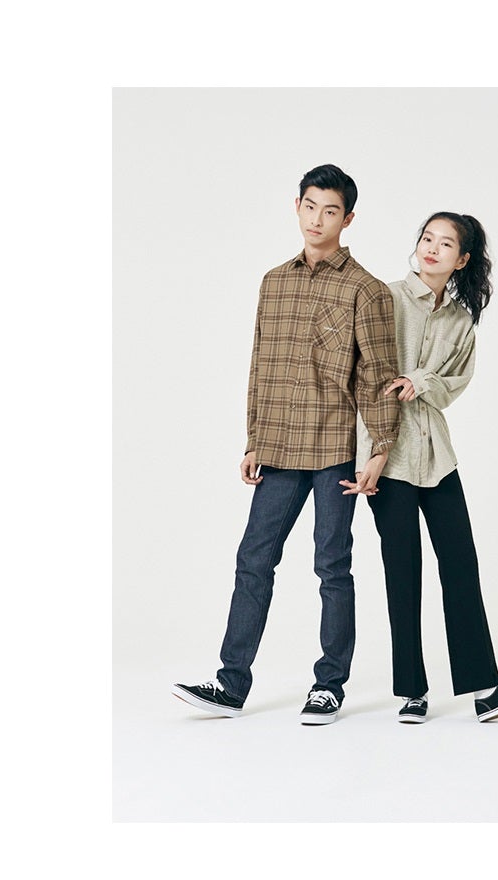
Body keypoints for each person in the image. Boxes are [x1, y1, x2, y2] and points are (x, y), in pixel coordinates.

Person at [173, 166, 399, 725]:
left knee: (332, 566)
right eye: (310, 206)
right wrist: (254, 439)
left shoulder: (366, 289)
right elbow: (262, 365)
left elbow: (377, 376)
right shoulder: (274, 281)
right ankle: (230, 685)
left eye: (331, 211)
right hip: (277, 448)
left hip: (334, 449)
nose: (318, 219)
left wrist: (380, 449)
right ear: (297, 206)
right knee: (253, 560)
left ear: (348, 219)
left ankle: (329, 686)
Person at [345, 210, 498, 724]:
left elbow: (453, 384)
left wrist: (421, 381)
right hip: (386, 457)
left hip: (436, 456)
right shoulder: (384, 298)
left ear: (462, 259)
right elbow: (361, 374)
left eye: (445, 243)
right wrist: (372, 450)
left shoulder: (461, 321)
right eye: (427, 238)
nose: (432, 248)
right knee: (403, 571)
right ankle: (411, 693)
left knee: (461, 565)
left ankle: (485, 689)